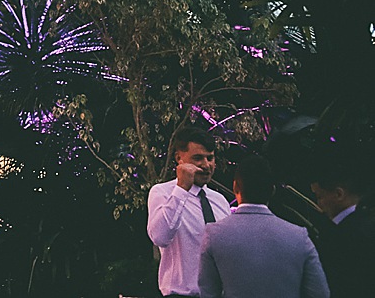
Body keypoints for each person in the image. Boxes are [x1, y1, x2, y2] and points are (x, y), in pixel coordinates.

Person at [198, 154, 327, 298]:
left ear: (235, 187)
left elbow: (207, 292)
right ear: (272, 190)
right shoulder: (299, 236)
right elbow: (319, 292)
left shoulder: (214, 234)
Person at [147, 127, 231, 298]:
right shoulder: (162, 193)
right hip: (181, 294)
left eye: (210, 158)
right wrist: (182, 188)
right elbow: (160, 237)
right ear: (179, 158)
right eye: (197, 158)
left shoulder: (220, 201)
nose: (206, 165)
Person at [309, 161, 374, 298]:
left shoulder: (343, 236)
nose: (318, 203)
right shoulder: (366, 223)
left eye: (320, 196)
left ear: (339, 194)